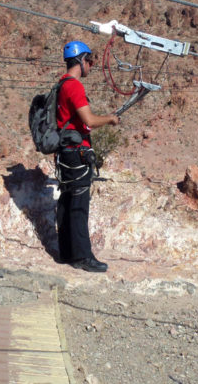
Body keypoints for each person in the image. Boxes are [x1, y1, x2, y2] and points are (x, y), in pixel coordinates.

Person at [55, 40, 119, 273]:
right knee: (79, 203)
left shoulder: (61, 84)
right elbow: (89, 121)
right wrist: (110, 119)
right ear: (81, 60)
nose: (91, 65)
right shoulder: (74, 86)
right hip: (76, 153)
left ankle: (66, 252)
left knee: (67, 199)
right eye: (89, 61)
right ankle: (83, 257)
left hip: (65, 152)